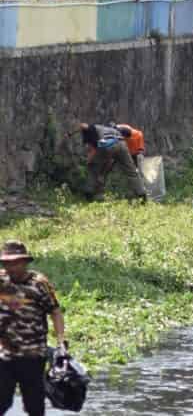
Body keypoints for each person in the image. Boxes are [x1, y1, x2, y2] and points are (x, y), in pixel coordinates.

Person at [0, 240, 67, 416]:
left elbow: (55, 312)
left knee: (34, 405)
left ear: (24, 262)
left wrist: (61, 342)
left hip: (33, 355)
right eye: (6, 263)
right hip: (4, 355)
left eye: (15, 263)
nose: (10, 268)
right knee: (2, 401)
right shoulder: (1, 280)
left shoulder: (39, 284)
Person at [77, 123, 146, 201]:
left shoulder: (91, 130)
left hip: (108, 143)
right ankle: (142, 194)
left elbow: (93, 149)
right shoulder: (106, 128)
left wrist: (89, 161)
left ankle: (89, 193)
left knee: (93, 168)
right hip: (121, 144)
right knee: (131, 171)